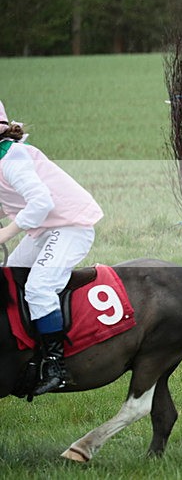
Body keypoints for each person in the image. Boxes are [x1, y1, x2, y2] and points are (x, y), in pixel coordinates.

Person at [0, 101, 103, 396]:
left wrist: (5, 233)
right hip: (45, 229)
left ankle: (56, 366)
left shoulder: (12, 158)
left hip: (71, 227)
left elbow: (41, 202)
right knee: (10, 276)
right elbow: (8, 202)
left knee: (39, 287)